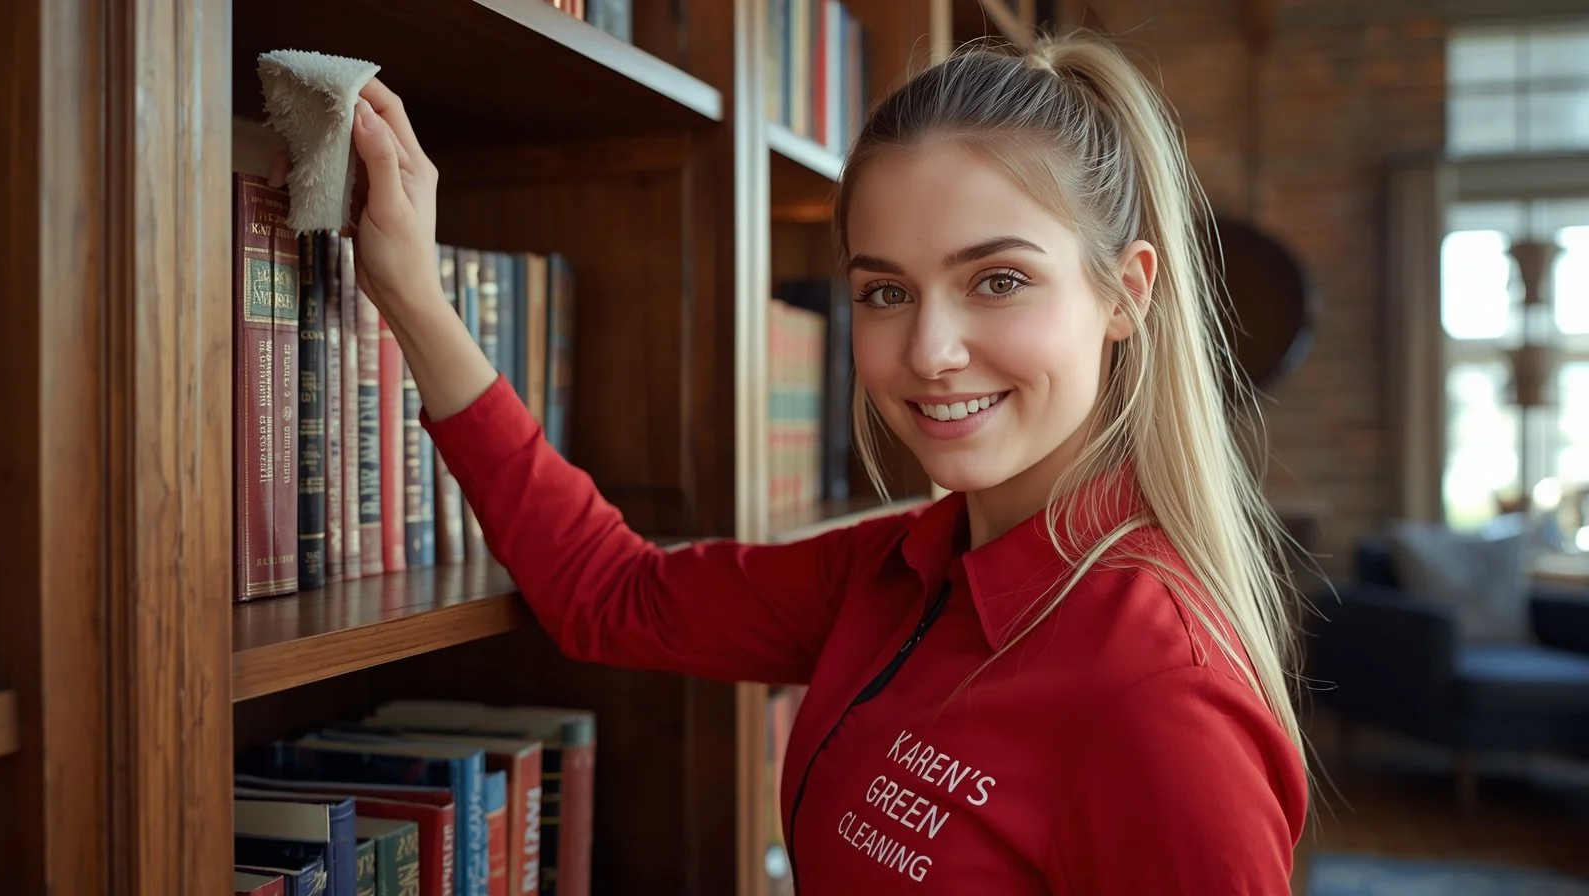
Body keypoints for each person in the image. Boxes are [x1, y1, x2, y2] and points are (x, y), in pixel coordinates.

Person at [279, 27, 1310, 894]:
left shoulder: (1160, 692)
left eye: (997, 280)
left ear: (1124, 293)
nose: (928, 351)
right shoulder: (901, 568)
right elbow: (611, 592)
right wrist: (411, 293)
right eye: (885, 291)